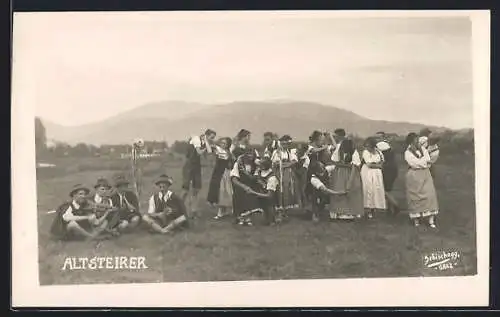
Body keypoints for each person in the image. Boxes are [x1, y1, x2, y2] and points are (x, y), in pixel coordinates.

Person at [404, 132, 439, 228]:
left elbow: (428, 159)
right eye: (416, 140)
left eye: (418, 139)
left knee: (429, 195)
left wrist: (423, 162)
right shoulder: (407, 152)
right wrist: (424, 163)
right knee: (415, 197)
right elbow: (414, 163)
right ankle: (416, 220)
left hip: (425, 175)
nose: (418, 141)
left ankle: (431, 220)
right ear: (411, 141)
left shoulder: (423, 149)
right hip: (414, 175)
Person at [181, 129, 217, 218]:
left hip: (197, 166)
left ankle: (194, 210)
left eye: (213, 138)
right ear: (206, 135)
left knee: (196, 189)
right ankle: (178, 208)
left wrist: (207, 144)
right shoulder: (196, 138)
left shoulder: (204, 143)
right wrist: (206, 145)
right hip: (189, 165)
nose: (212, 140)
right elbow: (199, 152)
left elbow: (209, 153)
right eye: (211, 137)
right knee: (185, 189)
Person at [329, 139, 364, 220]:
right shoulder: (338, 152)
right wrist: (343, 165)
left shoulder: (354, 153)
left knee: (351, 191)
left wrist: (350, 182)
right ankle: (339, 211)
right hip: (339, 174)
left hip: (350, 173)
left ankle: (352, 211)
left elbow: (354, 167)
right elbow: (335, 162)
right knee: (339, 190)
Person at [271, 135, 300, 220]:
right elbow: (274, 163)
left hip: (287, 174)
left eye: (286, 144)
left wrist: (286, 164)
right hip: (279, 173)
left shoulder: (289, 152)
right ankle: (279, 212)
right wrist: (283, 164)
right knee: (279, 190)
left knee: (287, 190)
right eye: (283, 144)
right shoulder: (276, 152)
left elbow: (294, 161)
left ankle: (285, 211)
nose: (284, 146)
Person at [230, 152, 263, 226]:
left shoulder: (255, 165)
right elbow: (234, 179)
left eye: (252, 155)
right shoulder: (238, 164)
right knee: (239, 198)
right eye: (248, 155)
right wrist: (243, 186)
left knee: (250, 199)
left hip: (250, 186)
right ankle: (240, 218)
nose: (250, 157)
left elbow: (256, 177)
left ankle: (248, 218)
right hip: (239, 185)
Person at [207, 137, 234, 220]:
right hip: (220, 173)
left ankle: (225, 211)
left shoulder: (227, 152)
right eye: (221, 142)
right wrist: (206, 141)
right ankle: (221, 212)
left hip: (226, 173)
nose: (222, 144)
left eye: (224, 143)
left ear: (227, 145)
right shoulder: (220, 150)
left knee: (226, 192)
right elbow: (209, 150)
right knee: (221, 192)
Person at [360, 137, 387, 218]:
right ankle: (367, 210)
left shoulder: (378, 151)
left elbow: (382, 162)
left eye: (369, 145)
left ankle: (373, 209)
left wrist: (378, 165)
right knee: (368, 190)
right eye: (366, 146)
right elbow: (369, 164)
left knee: (376, 190)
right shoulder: (365, 152)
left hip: (377, 174)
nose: (367, 147)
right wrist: (378, 165)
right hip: (367, 172)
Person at [375, 131, 400, 215]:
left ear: (383, 138)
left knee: (383, 189)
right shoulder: (388, 145)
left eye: (379, 137)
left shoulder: (381, 145)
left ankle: (395, 205)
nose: (377, 139)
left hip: (387, 169)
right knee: (388, 189)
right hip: (393, 168)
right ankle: (390, 209)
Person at [254, 157, 280, 226]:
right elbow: (257, 178)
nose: (260, 166)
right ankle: (267, 219)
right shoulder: (259, 171)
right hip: (262, 192)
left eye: (262, 165)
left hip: (270, 193)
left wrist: (256, 193)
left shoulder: (272, 177)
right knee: (264, 206)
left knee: (270, 205)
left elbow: (270, 195)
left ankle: (272, 220)